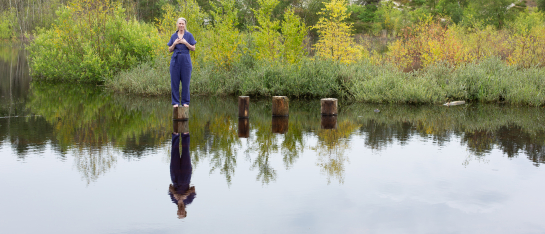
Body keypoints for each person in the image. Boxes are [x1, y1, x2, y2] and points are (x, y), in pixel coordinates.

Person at [167, 17, 197, 108]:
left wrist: (185, 43)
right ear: (177, 25)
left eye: (182, 24)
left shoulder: (189, 35)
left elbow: (193, 48)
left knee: (186, 82)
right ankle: (175, 102)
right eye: (179, 23)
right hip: (175, 61)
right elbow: (169, 50)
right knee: (174, 82)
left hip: (186, 61)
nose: (181, 25)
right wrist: (174, 43)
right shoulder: (173, 36)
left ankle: (185, 102)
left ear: (185, 25)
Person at [169, 131, 196, 219]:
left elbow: (169, 187)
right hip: (186, 176)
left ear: (177, 211)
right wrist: (185, 195)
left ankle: (175, 135)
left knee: (174, 153)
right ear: (185, 211)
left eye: (179, 213)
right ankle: (185, 135)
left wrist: (175, 194)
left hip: (175, 176)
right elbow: (193, 189)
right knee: (186, 153)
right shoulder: (189, 200)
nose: (180, 211)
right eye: (182, 213)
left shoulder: (174, 200)